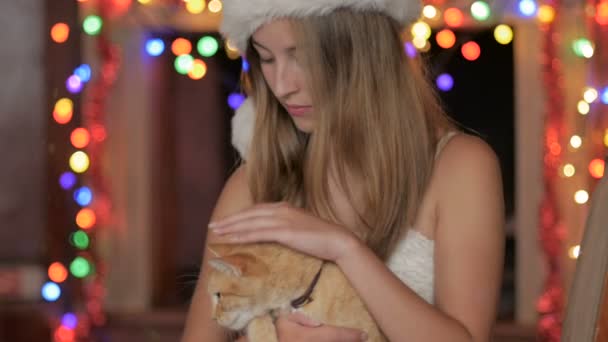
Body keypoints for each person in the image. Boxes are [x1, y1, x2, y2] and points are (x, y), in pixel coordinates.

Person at [181, 0, 505, 341]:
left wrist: (345, 249)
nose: (282, 85)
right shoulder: (253, 185)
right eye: (267, 58)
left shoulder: (460, 168)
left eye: (301, 56)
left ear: (363, 52)